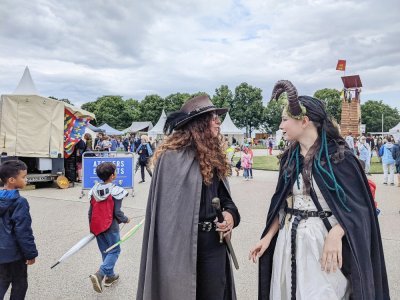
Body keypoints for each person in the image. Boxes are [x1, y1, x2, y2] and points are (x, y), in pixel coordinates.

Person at [249, 80, 389, 299]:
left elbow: (362, 208)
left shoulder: (341, 158)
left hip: (323, 244)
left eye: (285, 119)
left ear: (304, 121)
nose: (281, 125)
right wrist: (267, 237)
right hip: (290, 242)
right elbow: (282, 204)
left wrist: (338, 230)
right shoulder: (290, 159)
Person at [137, 95, 240, 300]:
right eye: (212, 117)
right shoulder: (170, 158)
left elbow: (227, 202)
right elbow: (165, 215)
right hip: (179, 247)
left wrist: (230, 217)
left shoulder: (214, 157)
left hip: (213, 244)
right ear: (199, 124)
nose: (218, 121)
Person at [88, 162, 130, 293]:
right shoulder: (116, 190)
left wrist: (92, 227)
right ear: (113, 176)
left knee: (106, 252)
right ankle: (100, 274)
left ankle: (110, 276)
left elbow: (90, 212)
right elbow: (117, 212)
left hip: (97, 226)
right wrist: (125, 219)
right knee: (114, 251)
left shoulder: (93, 190)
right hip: (110, 226)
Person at [0, 160, 38, 300]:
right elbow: (23, 231)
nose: (26, 179)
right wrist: (30, 253)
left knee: (2, 282)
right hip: (15, 254)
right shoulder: (19, 202)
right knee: (19, 284)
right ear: (11, 180)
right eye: (23, 177)